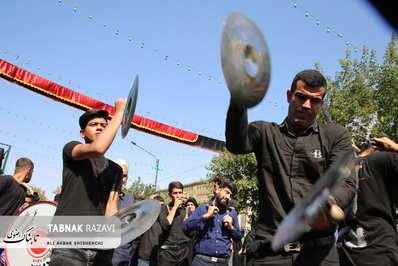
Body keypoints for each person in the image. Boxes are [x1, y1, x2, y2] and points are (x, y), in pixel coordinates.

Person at [225, 69, 356, 265]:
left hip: (320, 254)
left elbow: (346, 181)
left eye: (315, 100)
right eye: (301, 96)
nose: (306, 105)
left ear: (322, 103)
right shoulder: (264, 131)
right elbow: (236, 143)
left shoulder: (337, 136)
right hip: (270, 255)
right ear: (289, 95)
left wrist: (330, 202)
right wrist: (238, 102)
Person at [50, 99, 127, 266]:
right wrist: (119, 113)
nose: (100, 127)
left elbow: (111, 209)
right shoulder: (72, 149)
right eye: (94, 124)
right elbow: (98, 148)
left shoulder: (116, 170)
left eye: (104, 125)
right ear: (82, 133)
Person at [337, 137, 398, 265]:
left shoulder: (337, 173)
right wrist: (394, 147)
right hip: (379, 252)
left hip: (344, 254)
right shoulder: (379, 160)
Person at [182, 179, 242, 266]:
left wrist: (231, 227)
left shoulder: (231, 214)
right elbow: (185, 227)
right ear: (217, 190)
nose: (228, 197)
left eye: (231, 196)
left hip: (223, 262)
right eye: (226, 192)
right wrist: (205, 217)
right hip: (202, 262)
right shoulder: (202, 210)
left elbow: (238, 237)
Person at [0, 157, 34, 266]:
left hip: (5, 240)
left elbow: (32, 205)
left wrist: (30, 191)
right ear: (28, 170)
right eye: (32, 172)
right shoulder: (7, 180)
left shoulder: (22, 190)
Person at [158, 181, 192, 266]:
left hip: (183, 252)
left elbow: (192, 233)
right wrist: (175, 207)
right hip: (168, 253)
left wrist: (190, 225)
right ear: (170, 195)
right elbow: (165, 225)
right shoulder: (164, 208)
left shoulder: (187, 211)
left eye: (180, 193)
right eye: (175, 193)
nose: (178, 196)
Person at [111, 159, 135, 266]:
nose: (121, 178)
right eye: (117, 173)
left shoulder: (130, 201)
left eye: (124, 175)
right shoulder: (99, 197)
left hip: (122, 258)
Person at [137, 195, 165, 266]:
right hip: (145, 258)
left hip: (158, 258)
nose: (160, 208)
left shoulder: (165, 220)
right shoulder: (148, 217)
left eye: (162, 206)